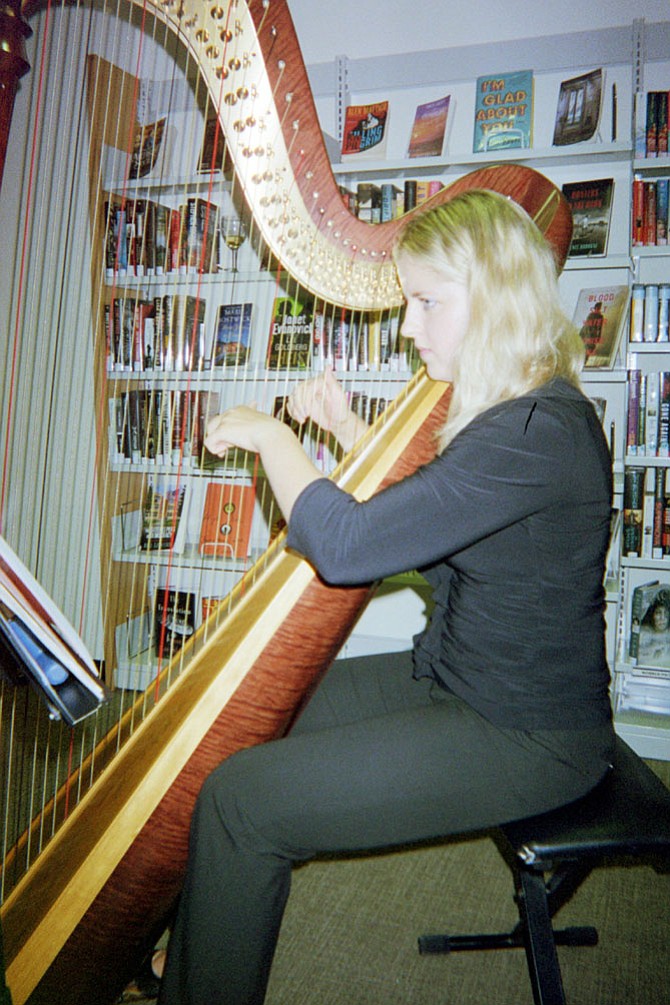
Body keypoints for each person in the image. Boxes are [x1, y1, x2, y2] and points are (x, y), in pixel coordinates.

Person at [157, 189, 616, 1005]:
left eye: (425, 302)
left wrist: (276, 437)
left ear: (496, 297)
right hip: (452, 678)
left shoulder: (536, 434)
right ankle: (196, 951)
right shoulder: (517, 415)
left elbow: (349, 546)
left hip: (525, 732)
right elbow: (431, 519)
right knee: (253, 717)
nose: (408, 326)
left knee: (242, 804)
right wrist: (344, 428)